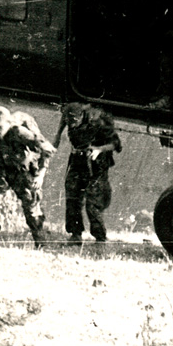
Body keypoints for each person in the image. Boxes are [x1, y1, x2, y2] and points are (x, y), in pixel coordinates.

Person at [0, 105, 55, 248]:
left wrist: (41, 176)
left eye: (0, 127)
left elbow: (47, 150)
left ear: (8, 123)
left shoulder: (20, 133)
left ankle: (40, 241)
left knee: (32, 209)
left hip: (21, 173)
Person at [52, 102, 122, 247]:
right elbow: (63, 123)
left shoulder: (98, 121)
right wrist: (57, 137)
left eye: (75, 122)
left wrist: (99, 149)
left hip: (96, 164)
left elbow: (115, 144)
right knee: (72, 196)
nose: (72, 125)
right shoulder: (68, 115)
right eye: (69, 122)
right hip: (77, 160)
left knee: (93, 202)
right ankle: (75, 234)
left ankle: (100, 238)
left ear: (82, 116)